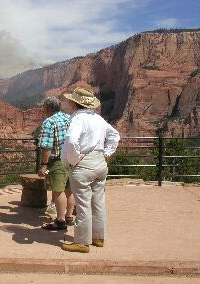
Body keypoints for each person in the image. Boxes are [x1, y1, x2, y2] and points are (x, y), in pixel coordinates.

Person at [60, 87, 120, 253]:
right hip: (100, 163)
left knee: (83, 204)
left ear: (74, 103)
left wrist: (74, 159)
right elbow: (115, 135)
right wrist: (106, 153)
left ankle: (81, 242)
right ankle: (98, 238)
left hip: (83, 164)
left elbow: (72, 141)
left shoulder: (77, 119)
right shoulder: (98, 119)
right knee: (98, 202)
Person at [37, 96, 75, 230]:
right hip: (72, 158)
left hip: (58, 161)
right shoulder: (69, 118)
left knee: (58, 191)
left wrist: (44, 165)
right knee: (69, 190)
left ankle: (60, 221)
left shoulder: (49, 122)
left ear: (47, 109)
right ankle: (69, 216)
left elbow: (47, 146)